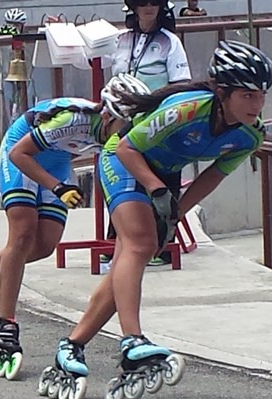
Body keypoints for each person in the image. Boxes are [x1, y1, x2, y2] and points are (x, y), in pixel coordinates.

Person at [39, 41, 272, 399]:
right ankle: (132, 340)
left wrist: (176, 212)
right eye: (247, 95)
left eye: (261, 95)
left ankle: (71, 346)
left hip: (162, 174)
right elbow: (128, 149)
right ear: (221, 93)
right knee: (139, 244)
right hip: (125, 160)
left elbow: (213, 176)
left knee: (126, 265)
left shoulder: (250, 134)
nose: (256, 105)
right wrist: (157, 189)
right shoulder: (187, 110)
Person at [0, 74, 151, 380]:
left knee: (44, 246)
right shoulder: (73, 119)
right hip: (21, 151)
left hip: (58, 159)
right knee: (23, 234)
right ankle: (6, 325)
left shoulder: (117, 132)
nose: (126, 134)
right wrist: (56, 186)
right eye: (123, 126)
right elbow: (18, 154)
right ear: (107, 115)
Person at [105, 0, 192, 266]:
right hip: (124, 121)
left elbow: (182, 84)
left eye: (154, 2)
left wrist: (154, 103)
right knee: (122, 178)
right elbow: (91, 60)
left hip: (159, 124)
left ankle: (162, 245)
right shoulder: (120, 40)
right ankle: (116, 242)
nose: (148, 7)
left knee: (160, 179)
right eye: (142, 2)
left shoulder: (170, 42)